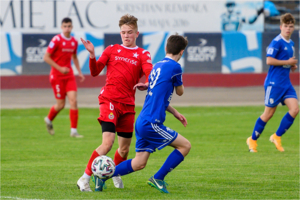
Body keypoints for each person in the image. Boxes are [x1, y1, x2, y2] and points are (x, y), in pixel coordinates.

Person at [93, 33, 191, 193]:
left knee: (139, 163)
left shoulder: (157, 67)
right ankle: (158, 178)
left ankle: (102, 176)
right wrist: (178, 81)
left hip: (142, 121)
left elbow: (157, 97)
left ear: (165, 48)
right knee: (185, 146)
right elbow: (180, 92)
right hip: (152, 123)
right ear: (181, 52)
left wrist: (174, 112)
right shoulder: (175, 67)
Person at [76, 14, 153, 192]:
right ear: (120, 33)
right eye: (123, 32)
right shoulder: (111, 49)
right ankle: (84, 178)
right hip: (109, 100)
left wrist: (148, 83)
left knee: (124, 150)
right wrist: (92, 55)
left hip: (128, 105)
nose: (126, 35)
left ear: (137, 33)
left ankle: (114, 172)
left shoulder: (143, 54)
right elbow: (95, 72)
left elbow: (149, 72)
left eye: (130, 32)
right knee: (107, 143)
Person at [247, 13, 298, 152]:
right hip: (274, 83)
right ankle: (252, 140)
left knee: (295, 109)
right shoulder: (276, 42)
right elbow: (269, 60)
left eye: (291, 26)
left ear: (293, 28)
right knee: (268, 114)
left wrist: (291, 66)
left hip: (286, 84)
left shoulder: (291, 44)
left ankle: (277, 136)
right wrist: (287, 62)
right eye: (286, 26)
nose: (288, 29)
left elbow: (285, 61)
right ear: (281, 27)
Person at [43, 17, 85, 138]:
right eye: (65, 26)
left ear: (71, 27)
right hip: (56, 76)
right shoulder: (56, 40)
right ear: (62, 27)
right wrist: (60, 68)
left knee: (74, 101)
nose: (67, 28)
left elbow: (74, 57)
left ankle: (73, 131)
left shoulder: (74, 41)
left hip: (69, 75)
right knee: (61, 105)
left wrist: (79, 72)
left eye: (69, 26)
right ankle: (49, 119)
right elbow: (46, 57)